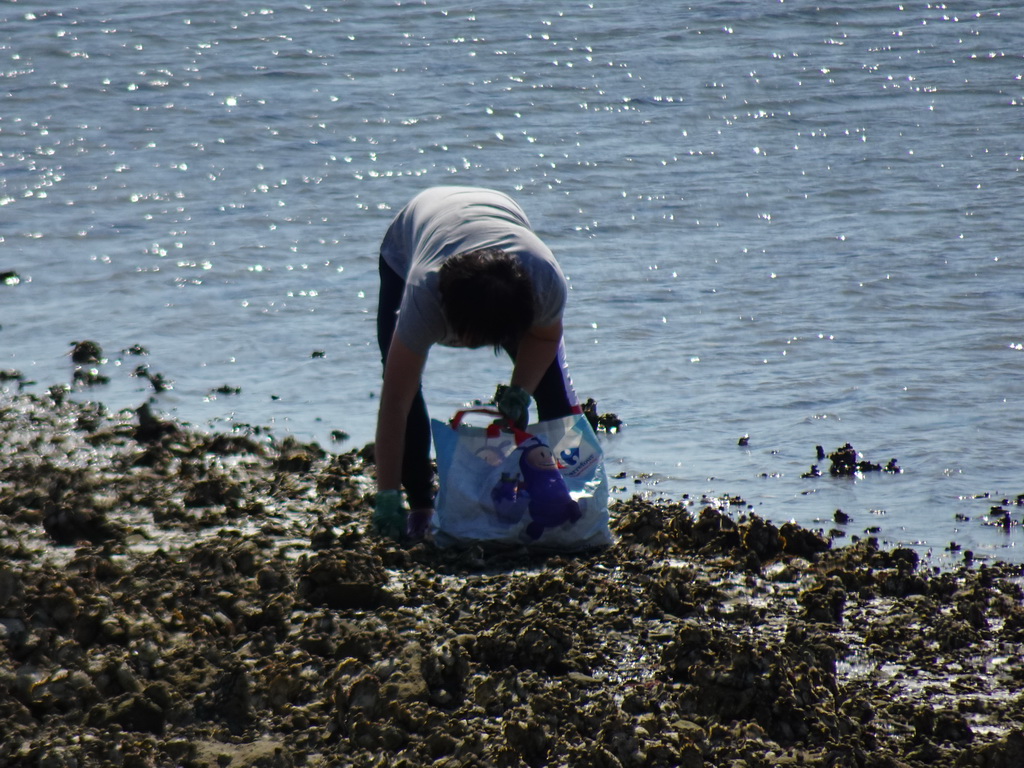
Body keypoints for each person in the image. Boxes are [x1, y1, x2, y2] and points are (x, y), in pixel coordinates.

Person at [373, 186, 582, 540]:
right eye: (469, 339)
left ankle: (569, 492)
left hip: (500, 218)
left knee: (551, 387)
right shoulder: (424, 298)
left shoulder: (544, 282)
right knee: (404, 385)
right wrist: (387, 496)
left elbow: (545, 339)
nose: (472, 349)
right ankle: (421, 506)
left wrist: (520, 392)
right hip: (412, 231)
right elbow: (396, 401)